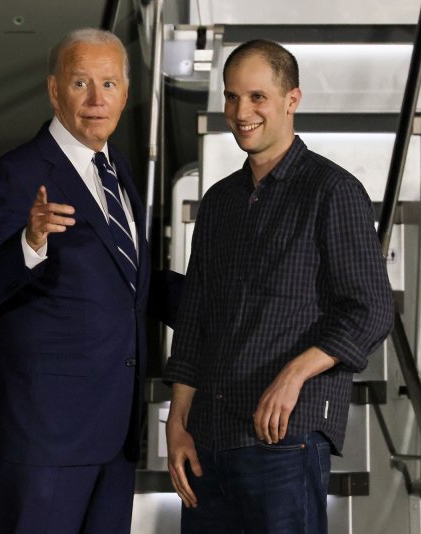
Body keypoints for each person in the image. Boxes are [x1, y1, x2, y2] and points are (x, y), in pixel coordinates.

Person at [163, 39, 395, 533]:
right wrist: (177, 422)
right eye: (231, 97)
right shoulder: (220, 201)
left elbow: (372, 309)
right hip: (207, 441)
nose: (241, 112)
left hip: (285, 443)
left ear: (292, 99)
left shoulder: (333, 191)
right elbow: (194, 319)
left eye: (257, 97)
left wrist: (294, 375)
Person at [0, 28, 149, 534]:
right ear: (53, 91)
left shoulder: (119, 172)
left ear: (126, 94)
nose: (96, 99)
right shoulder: (18, 174)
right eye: (81, 83)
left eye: (109, 84)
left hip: (113, 436)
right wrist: (31, 240)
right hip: (43, 437)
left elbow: (127, 289)